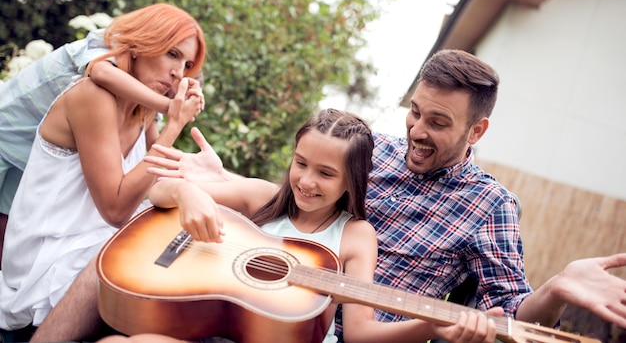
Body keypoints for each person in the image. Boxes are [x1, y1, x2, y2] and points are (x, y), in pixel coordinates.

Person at [29, 51, 626, 341]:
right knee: (115, 256)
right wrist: (214, 181)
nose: (417, 132)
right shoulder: (378, 149)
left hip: (355, 329)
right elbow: (299, 205)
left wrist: (553, 290)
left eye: (438, 124)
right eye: (415, 112)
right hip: (270, 294)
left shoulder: (491, 205)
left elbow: (510, 313)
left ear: (477, 131)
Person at [97, 108, 500, 343]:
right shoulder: (262, 198)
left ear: (352, 181)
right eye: (301, 163)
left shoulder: (355, 235)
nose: (306, 181)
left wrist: (431, 323)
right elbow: (160, 189)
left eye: (326, 173)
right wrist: (188, 195)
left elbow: (359, 334)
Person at [0, 3, 206, 336]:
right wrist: (175, 122)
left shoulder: (143, 108)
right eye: (172, 54)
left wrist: (202, 176)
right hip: (50, 258)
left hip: (87, 239)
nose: (178, 74)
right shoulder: (93, 96)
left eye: (186, 66)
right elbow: (115, 207)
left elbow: (153, 176)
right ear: (141, 44)